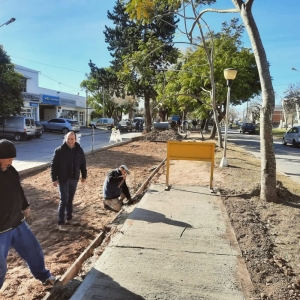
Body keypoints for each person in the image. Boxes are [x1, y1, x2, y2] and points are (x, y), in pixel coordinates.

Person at [0, 139, 56, 289]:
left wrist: (26, 208)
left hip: (17, 223)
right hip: (1, 231)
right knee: (0, 268)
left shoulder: (11, 171)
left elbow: (19, 191)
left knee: (34, 251)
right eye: (9, 158)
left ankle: (44, 277)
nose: (11, 161)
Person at [51, 131, 87, 232]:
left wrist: (84, 175)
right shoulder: (59, 151)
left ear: (75, 139)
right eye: (68, 139)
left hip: (74, 179)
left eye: (72, 139)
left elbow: (83, 164)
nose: (70, 141)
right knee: (64, 200)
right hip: (63, 179)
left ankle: (69, 219)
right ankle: (60, 222)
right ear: (65, 139)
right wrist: (54, 179)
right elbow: (53, 165)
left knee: (70, 199)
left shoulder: (79, 150)